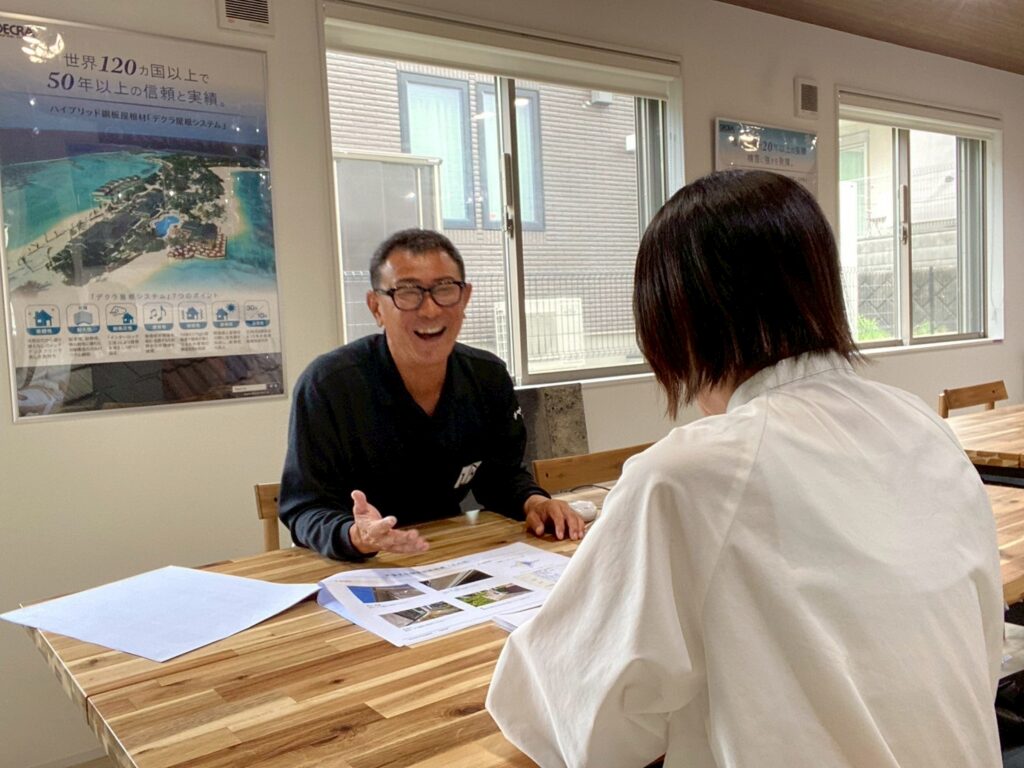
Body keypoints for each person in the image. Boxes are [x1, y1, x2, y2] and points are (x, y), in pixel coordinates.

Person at [486, 170, 1002, 767]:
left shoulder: (688, 474)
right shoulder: (920, 425)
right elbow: (980, 640)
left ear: (677, 322)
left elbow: (573, 717)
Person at [279, 228, 584, 561]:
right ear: (376, 307)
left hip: (446, 551)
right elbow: (304, 507)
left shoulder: (487, 377)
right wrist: (355, 535)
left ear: (465, 298)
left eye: (444, 289)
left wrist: (535, 502)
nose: (429, 310)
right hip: (351, 563)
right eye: (408, 292)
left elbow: (501, 477)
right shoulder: (328, 386)